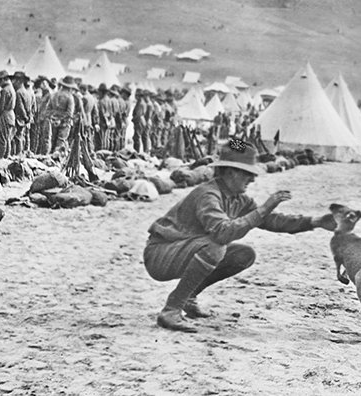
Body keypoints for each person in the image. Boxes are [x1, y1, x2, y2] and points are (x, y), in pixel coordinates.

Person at [143, 137, 336, 333]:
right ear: (229, 172)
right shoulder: (208, 195)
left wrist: (315, 222)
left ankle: (188, 297)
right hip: (160, 254)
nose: (252, 179)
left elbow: (271, 220)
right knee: (215, 247)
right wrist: (265, 207)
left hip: (180, 250)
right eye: (246, 174)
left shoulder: (237, 198)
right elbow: (222, 233)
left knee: (243, 255)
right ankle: (172, 309)